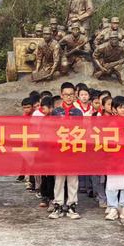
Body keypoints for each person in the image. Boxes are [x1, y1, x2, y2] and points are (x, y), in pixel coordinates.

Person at [49, 82, 83, 220]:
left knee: (73, 179)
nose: (69, 97)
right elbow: (51, 130)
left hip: (73, 150)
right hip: (59, 150)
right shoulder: (56, 112)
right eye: (66, 94)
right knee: (59, 179)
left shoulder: (78, 112)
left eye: (71, 94)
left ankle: (71, 205)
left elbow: (81, 131)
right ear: (61, 95)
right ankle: (57, 205)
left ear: (75, 95)